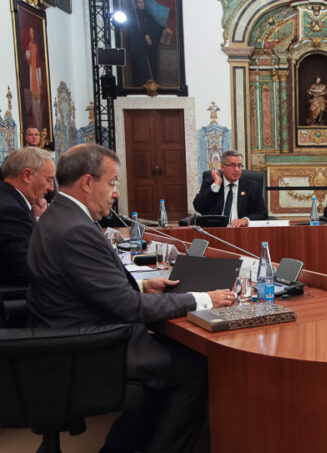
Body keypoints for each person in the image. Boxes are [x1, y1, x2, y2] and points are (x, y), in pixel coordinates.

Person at [26, 143, 236, 453]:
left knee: (171, 360)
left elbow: (87, 289)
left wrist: (143, 287)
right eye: (112, 182)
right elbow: (129, 308)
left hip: (76, 337)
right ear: (86, 182)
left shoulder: (58, 219)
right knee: (195, 367)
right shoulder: (75, 230)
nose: (116, 193)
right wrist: (202, 299)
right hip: (91, 350)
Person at [0, 147, 55, 285]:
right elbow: (29, 268)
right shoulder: (11, 211)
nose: (51, 188)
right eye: (48, 180)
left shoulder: (9, 199)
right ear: (27, 176)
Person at [192, 150, 267, 226]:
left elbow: (262, 214)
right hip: (215, 231)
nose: (236, 169)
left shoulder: (252, 187)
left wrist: (245, 220)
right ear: (222, 167)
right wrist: (216, 185)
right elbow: (199, 207)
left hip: (242, 231)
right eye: (232, 165)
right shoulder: (210, 184)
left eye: (239, 165)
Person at [127, 0, 164, 86]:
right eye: (140, 2)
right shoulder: (133, 14)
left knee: (149, 66)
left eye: (143, 2)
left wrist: (163, 29)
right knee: (140, 66)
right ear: (136, 4)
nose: (142, 4)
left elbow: (154, 25)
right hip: (137, 46)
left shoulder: (147, 14)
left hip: (146, 46)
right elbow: (135, 29)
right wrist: (145, 35)